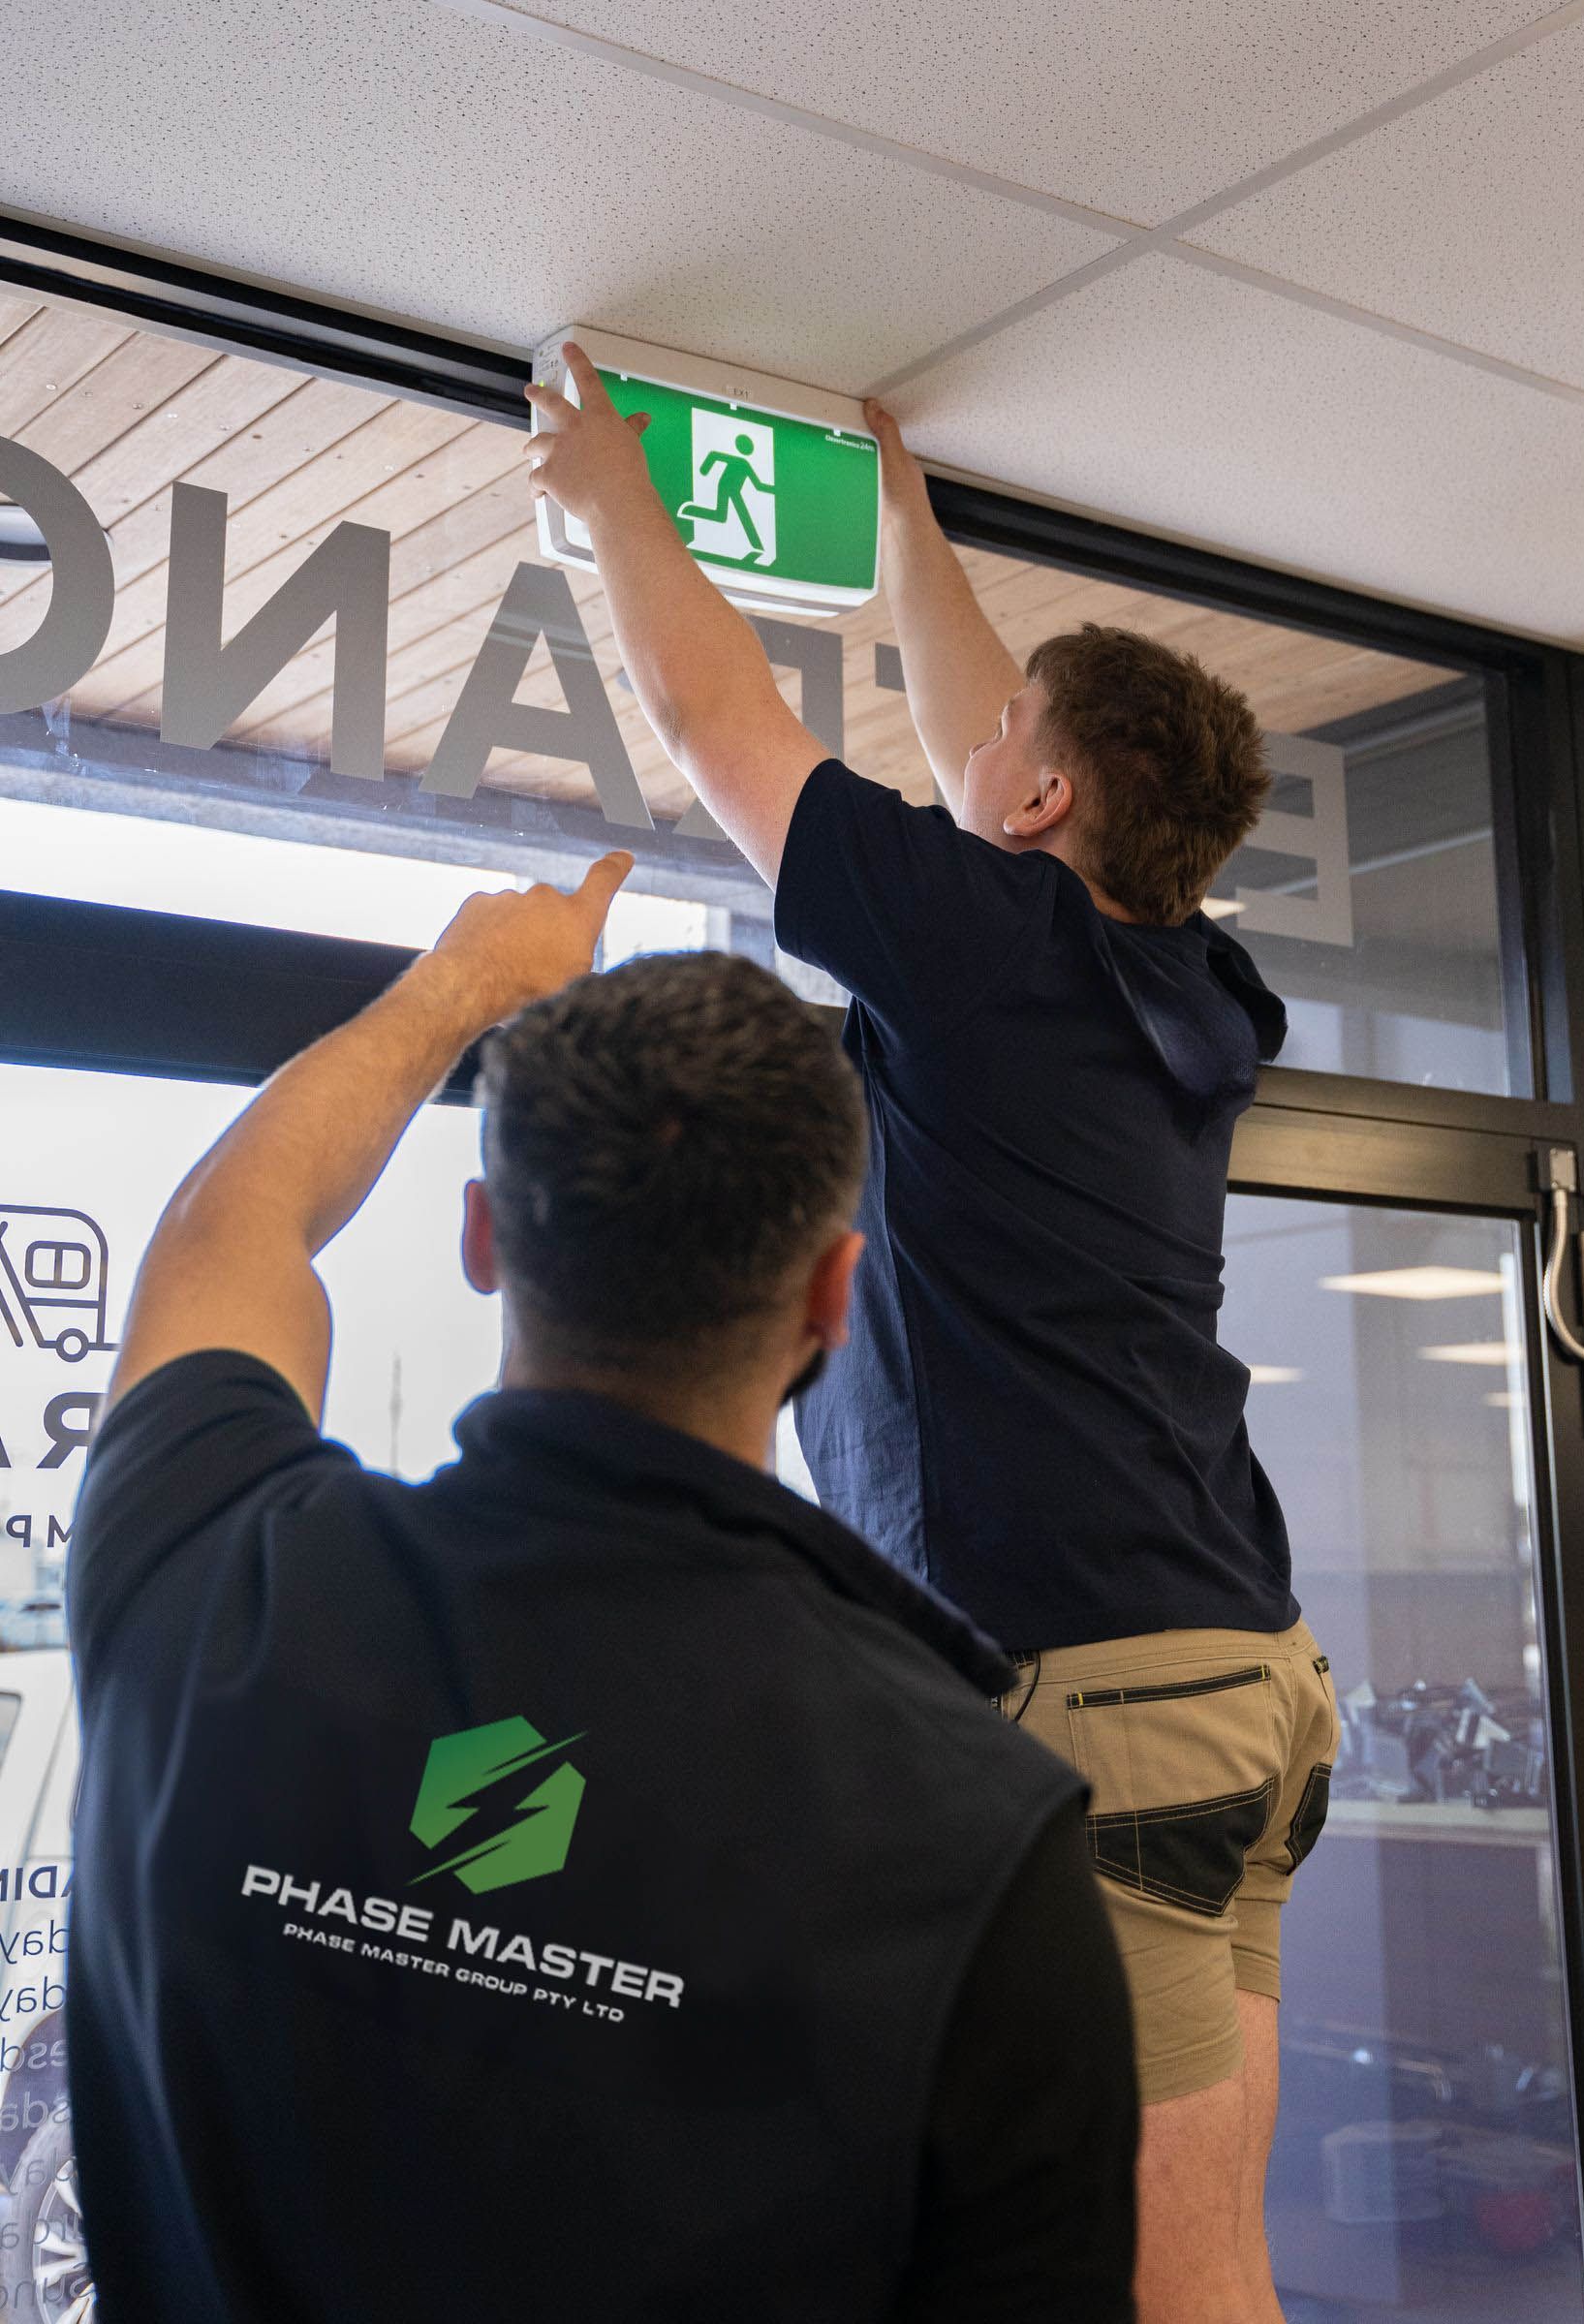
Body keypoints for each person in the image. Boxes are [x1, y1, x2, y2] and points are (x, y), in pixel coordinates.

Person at [524, 351, 1336, 2324]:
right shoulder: (1193, 987)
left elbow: (724, 725)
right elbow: (1001, 736)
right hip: (1243, 1675)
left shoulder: (992, 953)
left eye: (1006, 755)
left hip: (1104, 1687)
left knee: (1147, 2267)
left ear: (1040, 802)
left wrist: (609, 484)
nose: (964, 753)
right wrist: (902, 508)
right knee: (1208, 2230)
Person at [66, 859, 1138, 2322]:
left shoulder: (204, 1569)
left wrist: (461, 988)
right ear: (834, 1297)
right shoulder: (980, 1831)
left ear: (483, 1239)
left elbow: (226, 1233)